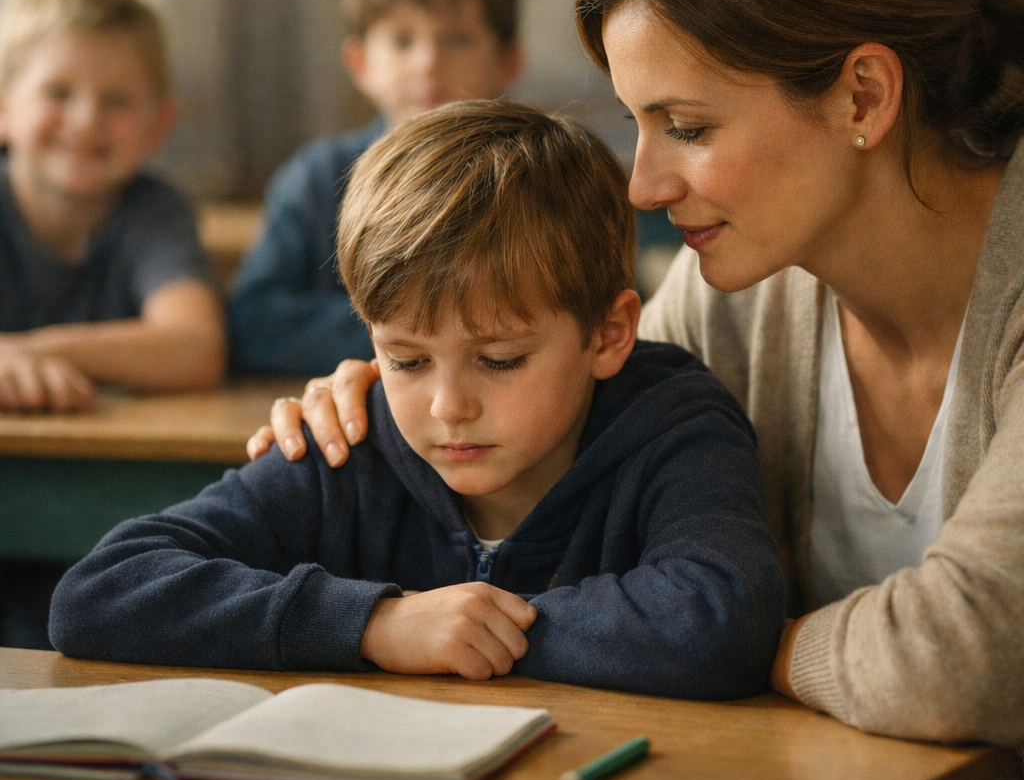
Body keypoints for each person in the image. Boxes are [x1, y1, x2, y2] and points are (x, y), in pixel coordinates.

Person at [250, 0, 1024, 780]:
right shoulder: (735, 287)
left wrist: (750, 637)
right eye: (637, 125)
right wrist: (384, 400)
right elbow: (570, 470)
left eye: (688, 128)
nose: (643, 185)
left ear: (863, 95)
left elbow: (957, 659)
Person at [49, 101, 786, 698]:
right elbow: (101, 592)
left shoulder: (675, 425)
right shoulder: (348, 439)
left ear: (608, 333)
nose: (446, 406)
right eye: (405, 359)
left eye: (499, 360)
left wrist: (473, 630)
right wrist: (378, 627)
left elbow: (722, 620)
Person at [228, 0, 523, 375]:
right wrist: (417, 336)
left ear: (509, 60)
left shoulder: (541, 176)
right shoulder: (319, 177)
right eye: (402, 40)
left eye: (457, 38)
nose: (428, 62)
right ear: (360, 63)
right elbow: (253, 323)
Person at [0, 0, 224, 412]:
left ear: (159, 125)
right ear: (3, 108)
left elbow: (196, 348)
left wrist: (28, 353)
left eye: (117, 100)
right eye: (58, 92)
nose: (86, 120)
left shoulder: (157, 211)